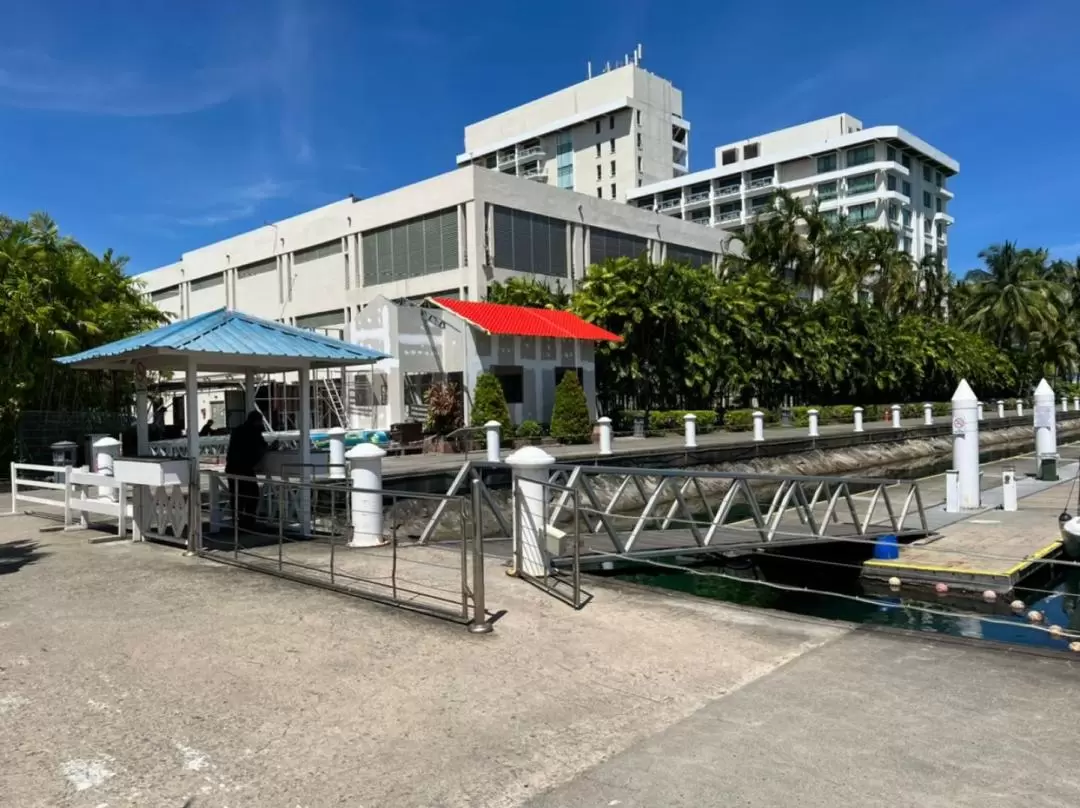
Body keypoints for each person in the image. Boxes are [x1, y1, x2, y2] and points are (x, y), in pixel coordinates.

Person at [225, 410, 272, 531]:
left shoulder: (238, 430)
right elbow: (261, 447)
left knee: (236, 496)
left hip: (231, 467)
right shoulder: (254, 432)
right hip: (244, 468)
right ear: (257, 421)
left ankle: (237, 522)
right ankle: (248, 523)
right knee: (252, 495)